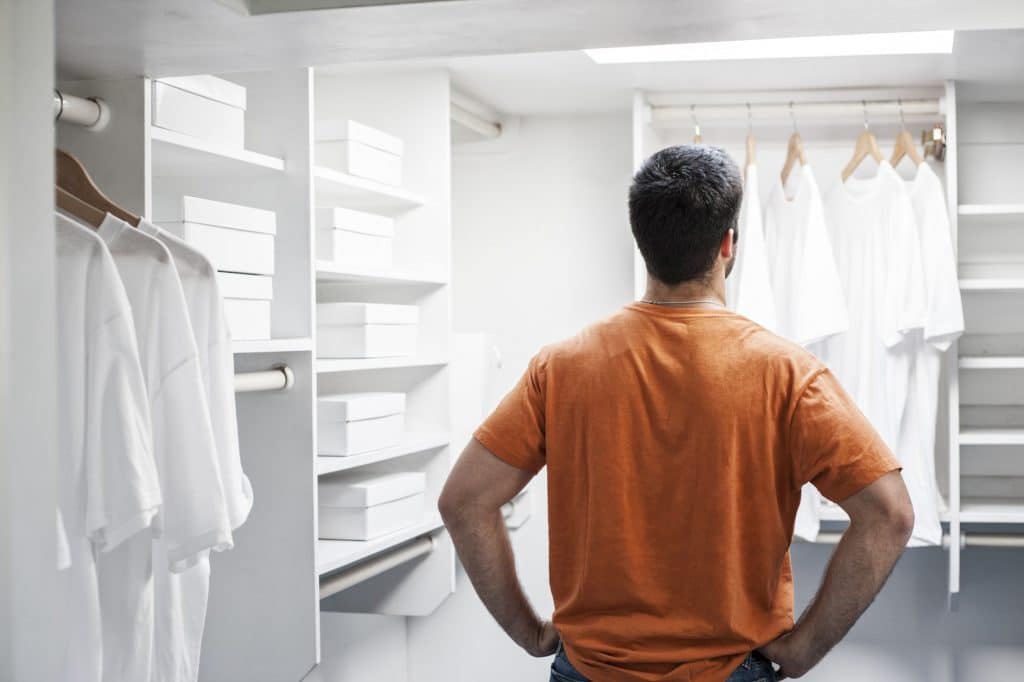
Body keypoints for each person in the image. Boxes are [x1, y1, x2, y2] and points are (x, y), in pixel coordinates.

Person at [438, 145, 914, 681]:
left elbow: (463, 501)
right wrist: (802, 651)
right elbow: (889, 515)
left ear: (642, 242)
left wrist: (529, 633)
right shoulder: (789, 374)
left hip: (590, 671)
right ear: (728, 244)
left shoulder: (561, 367)